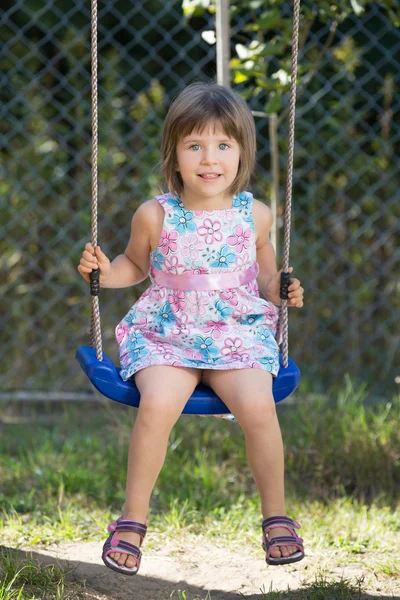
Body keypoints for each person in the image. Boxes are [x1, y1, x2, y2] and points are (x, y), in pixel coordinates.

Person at [78, 81, 305, 576]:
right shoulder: (155, 214)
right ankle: (132, 520)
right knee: (157, 405)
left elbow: (265, 276)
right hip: (168, 330)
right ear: (174, 153)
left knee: (260, 407)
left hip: (235, 330)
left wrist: (281, 289)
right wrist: (104, 273)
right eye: (195, 145)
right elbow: (133, 266)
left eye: (223, 145)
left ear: (241, 152)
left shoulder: (256, 216)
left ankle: (277, 517)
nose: (210, 158)